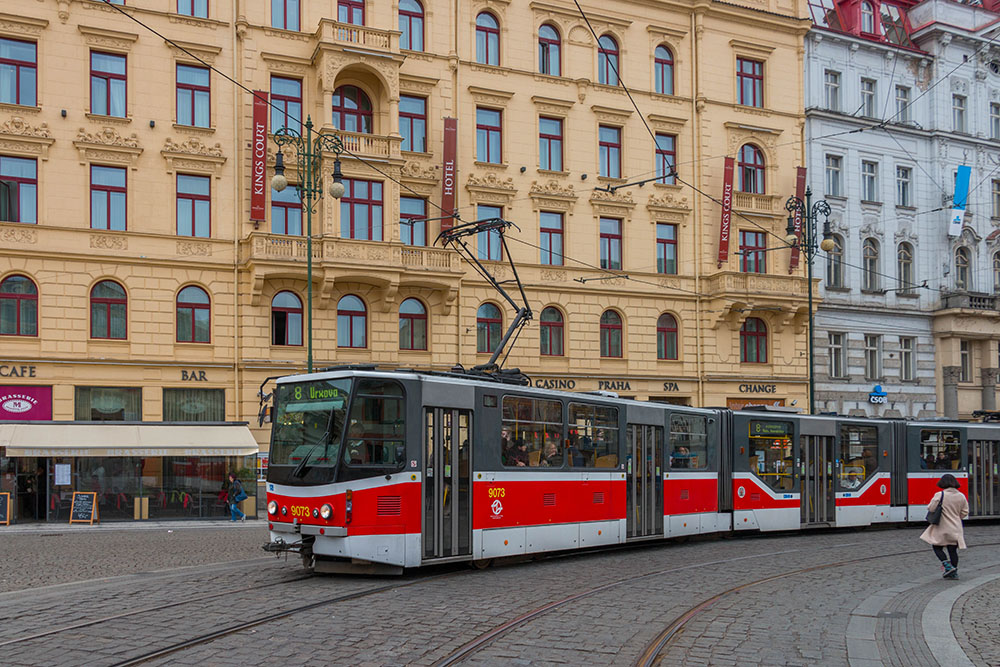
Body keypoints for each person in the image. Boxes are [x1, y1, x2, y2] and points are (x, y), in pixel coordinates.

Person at [919, 473, 968, 579]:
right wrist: (956, 516)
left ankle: (947, 566)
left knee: (936, 547)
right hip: (955, 527)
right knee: (952, 550)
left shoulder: (940, 495)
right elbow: (965, 512)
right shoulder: (961, 496)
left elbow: (931, 508)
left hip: (942, 526)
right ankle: (954, 572)